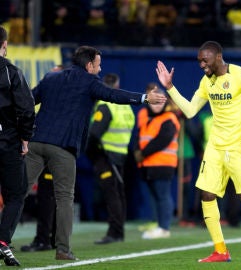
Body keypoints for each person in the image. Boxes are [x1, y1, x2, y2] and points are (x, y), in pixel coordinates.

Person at [155, 40, 241, 263]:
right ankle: (220, 250)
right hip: (215, 146)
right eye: (199, 61)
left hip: (239, 146)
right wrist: (170, 87)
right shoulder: (206, 82)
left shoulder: (240, 75)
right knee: (207, 194)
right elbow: (191, 111)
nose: (202, 65)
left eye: (205, 60)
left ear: (218, 57)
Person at [24, 45, 166, 261]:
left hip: (36, 142)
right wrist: (144, 98)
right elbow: (113, 94)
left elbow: (26, 102)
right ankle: (62, 249)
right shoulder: (89, 82)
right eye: (98, 65)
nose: (100, 70)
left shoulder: (51, 78)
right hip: (63, 147)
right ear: (89, 65)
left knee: (18, 192)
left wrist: (19, 131)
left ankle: (3, 240)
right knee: (64, 198)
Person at [0, 25, 35, 266]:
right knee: (16, 193)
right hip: (7, 143)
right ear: (4, 45)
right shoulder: (11, 72)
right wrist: (25, 138)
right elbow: (26, 108)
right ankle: (2, 241)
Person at [86, 73, 135, 244]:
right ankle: (118, 232)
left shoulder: (106, 105)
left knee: (112, 195)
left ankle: (115, 233)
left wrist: (92, 154)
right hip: (121, 154)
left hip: (106, 155)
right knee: (119, 194)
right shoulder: (125, 105)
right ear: (117, 84)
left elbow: (94, 133)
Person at [134, 83, 180, 239]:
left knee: (163, 196)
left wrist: (143, 153)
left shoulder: (170, 118)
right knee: (156, 196)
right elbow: (139, 135)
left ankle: (164, 227)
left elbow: (163, 140)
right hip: (147, 164)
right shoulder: (145, 115)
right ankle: (160, 226)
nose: (156, 106)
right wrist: (136, 152)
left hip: (163, 163)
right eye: (154, 102)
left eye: (159, 102)